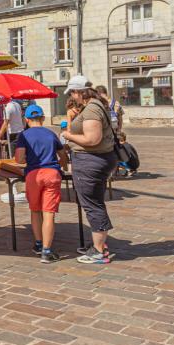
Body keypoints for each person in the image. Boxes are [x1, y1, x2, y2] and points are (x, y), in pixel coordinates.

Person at [60, 75, 118, 265]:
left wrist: (68, 135)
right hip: (96, 159)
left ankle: (99, 251)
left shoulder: (92, 108)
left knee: (92, 204)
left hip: (91, 161)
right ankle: (98, 245)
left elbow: (92, 140)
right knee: (94, 202)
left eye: (73, 93)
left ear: (79, 92)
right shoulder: (95, 105)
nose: (72, 97)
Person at [14, 104, 68, 263]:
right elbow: (62, 154)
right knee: (49, 213)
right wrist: (63, 165)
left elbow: (19, 158)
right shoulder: (51, 134)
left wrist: (27, 159)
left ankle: (38, 244)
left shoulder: (23, 135)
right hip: (52, 173)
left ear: (27, 119)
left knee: (35, 211)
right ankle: (47, 250)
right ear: (43, 118)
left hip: (33, 174)